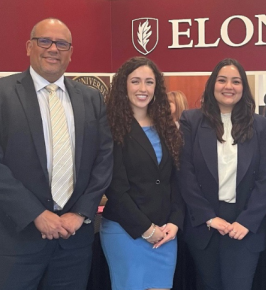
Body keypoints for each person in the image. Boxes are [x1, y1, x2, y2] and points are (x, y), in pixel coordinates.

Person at [0, 18, 113, 290]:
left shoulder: (91, 98)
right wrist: (36, 214)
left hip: (73, 241)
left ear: (71, 53)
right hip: (13, 239)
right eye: (44, 41)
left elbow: (104, 159)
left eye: (62, 44)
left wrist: (81, 213)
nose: (53, 49)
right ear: (29, 47)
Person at [177, 58, 266, 290]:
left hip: (244, 226)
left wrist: (247, 221)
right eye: (222, 80)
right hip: (205, 224)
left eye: (236, 81)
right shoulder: (191, 120)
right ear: (212, 85)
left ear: (244, 87)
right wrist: (209, 217)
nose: (228, 86)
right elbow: (185, 174)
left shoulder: (261, 125)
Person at [100, 56, 184, 290]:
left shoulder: (166, 126)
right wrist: (146, 230)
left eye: (149, 82)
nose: (142, 88)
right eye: (135, 81)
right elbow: (115, 188)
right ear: (123, 86)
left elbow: (176, 180)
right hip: (126, 232)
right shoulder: (110, 126)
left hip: (166, 234)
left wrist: (174, 223)